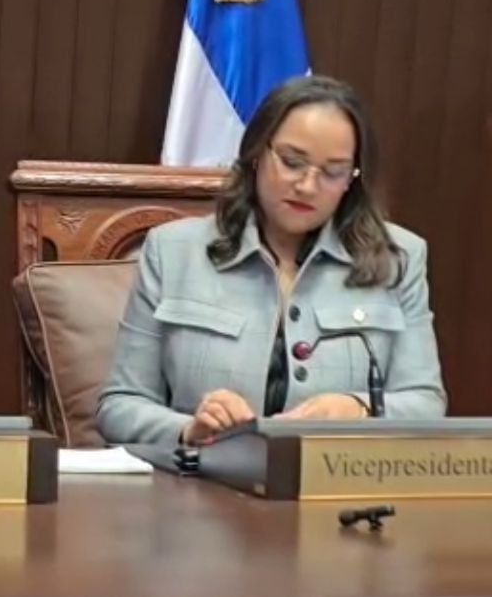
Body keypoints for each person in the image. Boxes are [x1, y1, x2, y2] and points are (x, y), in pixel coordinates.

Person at [97, 75, 447, 446]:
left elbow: (425, 403)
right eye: (292, 162)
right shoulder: (172, 251)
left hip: (332, 476)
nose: (307, 186)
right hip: (205, 474)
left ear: (352, 180)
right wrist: (188, 429)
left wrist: (359, 408)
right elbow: (120, 405)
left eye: (333, 172)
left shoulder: (398, 259)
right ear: (256, 154)